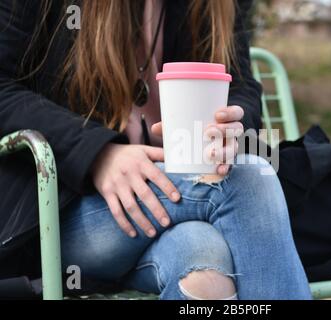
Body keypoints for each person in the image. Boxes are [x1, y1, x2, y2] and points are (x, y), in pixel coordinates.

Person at [0, 0, 311, 300]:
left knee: (203, 261)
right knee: (247, 179)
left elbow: (240, 83)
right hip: (61, 210)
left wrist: (233, 125)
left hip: (172, 209)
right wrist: (97, 154)